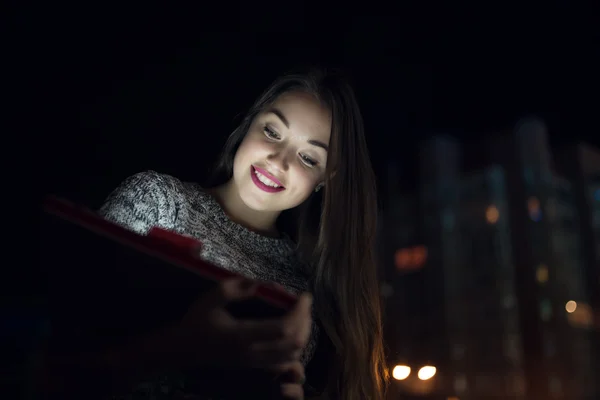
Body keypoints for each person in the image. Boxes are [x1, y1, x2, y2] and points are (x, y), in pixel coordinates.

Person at [43, 68, 388, 400]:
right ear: (249, 124)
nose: (278, 161)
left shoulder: (301, 292)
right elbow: (60, 361)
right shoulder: (159, 202)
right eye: (271, 132)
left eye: (308, 158)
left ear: (326, 179)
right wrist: (182, 345)